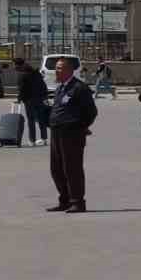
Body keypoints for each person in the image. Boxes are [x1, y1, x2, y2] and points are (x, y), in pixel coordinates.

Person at [47, 57, 97, 213]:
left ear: (69, 71)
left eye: (60, 68)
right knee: (56, 169)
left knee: (72, 169)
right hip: (57, 132)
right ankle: (65, 200)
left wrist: (80, 127)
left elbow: (91, 112)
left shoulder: (79, 88)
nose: (57, 71)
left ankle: (77, 202)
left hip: (71, 134)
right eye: (56, 68)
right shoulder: (61, 88)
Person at [15, 59, 49, 147]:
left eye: (15, 65)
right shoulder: (36, 73)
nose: (15, 67)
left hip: (29, 100)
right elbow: (43, 86)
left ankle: (32, 140)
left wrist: (19, 99)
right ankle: (44, 139)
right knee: (41, 119)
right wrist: (45, 97)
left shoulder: (22, 75)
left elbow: (21, 89)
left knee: (31, 120)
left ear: (19, 66)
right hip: (40, 99)